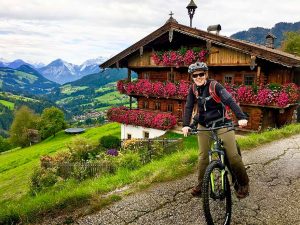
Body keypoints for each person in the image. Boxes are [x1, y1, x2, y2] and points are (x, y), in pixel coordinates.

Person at [182, 62, 249, 199]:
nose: (199, 77)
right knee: (202, 157)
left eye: (201, 74)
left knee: (233, 156)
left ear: (206, 74)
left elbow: (230, 101)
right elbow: (189, 107)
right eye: (195, 75)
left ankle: (243, 183)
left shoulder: (215, 86)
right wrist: (186, 125)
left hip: (222, 123)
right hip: (204, 125)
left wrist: (241, 117)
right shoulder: (193, 89)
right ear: (192, 77)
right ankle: (201, 186)